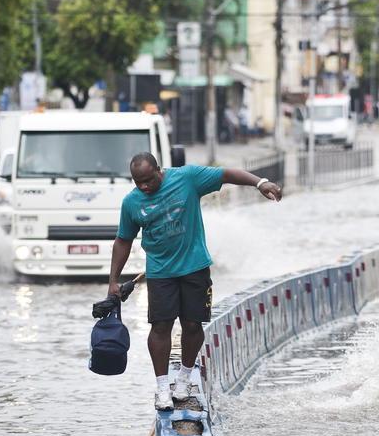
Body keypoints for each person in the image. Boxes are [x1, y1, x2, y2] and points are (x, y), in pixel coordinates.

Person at [109, 152, 282, 411]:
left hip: (195, 267)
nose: (144, 187)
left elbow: (227, 173)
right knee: (160, 326)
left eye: (148, 180)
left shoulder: (187, 178)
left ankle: (184, 379)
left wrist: (260, 183)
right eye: (138, 182)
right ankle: (161, 387)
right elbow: (123, 240)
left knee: (192, 324)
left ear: (159, 170)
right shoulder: (132, 203)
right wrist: (113, 280)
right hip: (160, 272)